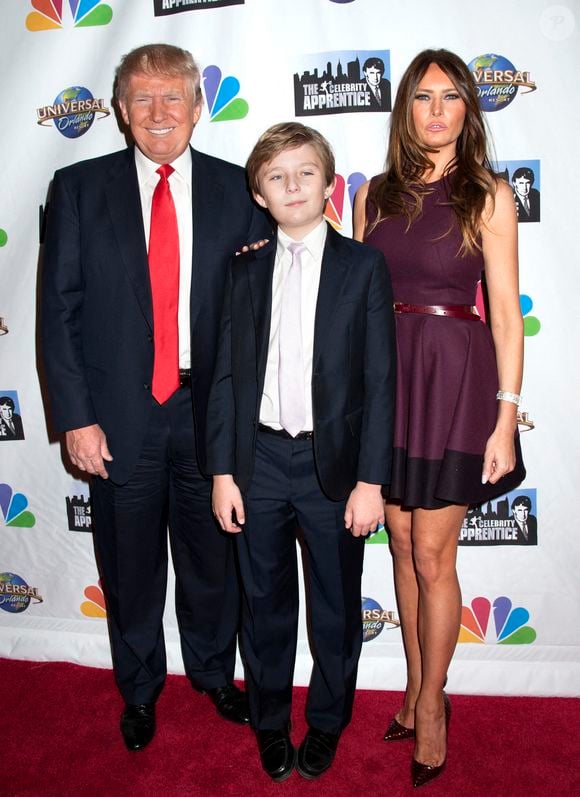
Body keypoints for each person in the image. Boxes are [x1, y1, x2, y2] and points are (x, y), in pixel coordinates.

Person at [41, 44, 271, 752]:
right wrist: (76, 418)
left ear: (199, 107)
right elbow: (59, 311)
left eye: (174, 96)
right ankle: (139, 689)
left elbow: (265, 314)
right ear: (118, 111)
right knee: (131, 567)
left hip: (212, 415)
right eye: (142, 98)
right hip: (118, 418)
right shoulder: (78, 189)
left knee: (212, 563)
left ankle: (210, 673)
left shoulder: (242, 192)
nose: (158, 112)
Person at [354, 48, 526, 788]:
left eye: (450, 96)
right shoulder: (374, 195)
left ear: (467, 110)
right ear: (406, 108)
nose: (435, 109)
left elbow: (509, 317)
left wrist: (506, 416)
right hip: (388, 377)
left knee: (432, 553)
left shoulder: (487, 193)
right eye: (423, 96)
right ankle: (414, 688)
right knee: (396, 540)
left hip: (455, 378)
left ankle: (432, 704)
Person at [206, 122, 396, 781]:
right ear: (259, 191)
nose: (292, 185)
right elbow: (226, 376)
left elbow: (380, 381)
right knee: (263, 605)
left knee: (337, 604)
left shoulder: (364, 266)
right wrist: (224, 471)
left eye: (305, 172)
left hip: (334, 470)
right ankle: (268, 723)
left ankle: (326, 722)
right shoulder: (243, 267)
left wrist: (372, 480)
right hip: (256, 464)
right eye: (276, 175)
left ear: (328, 182)